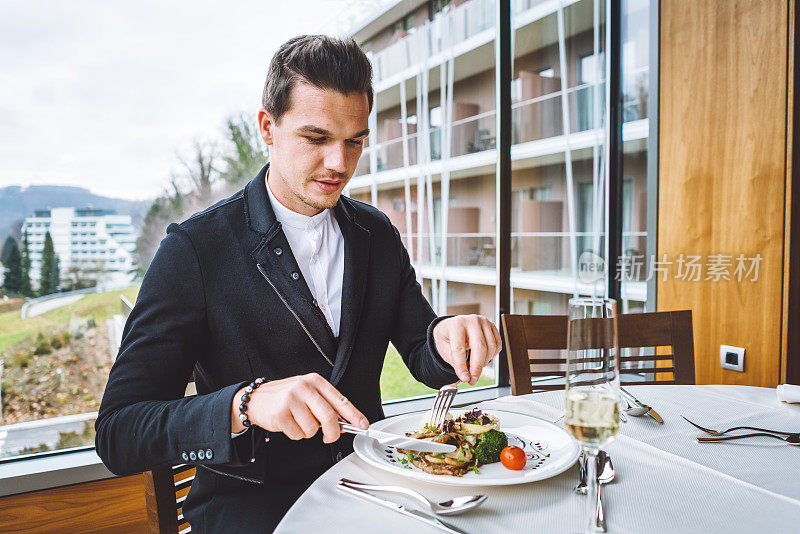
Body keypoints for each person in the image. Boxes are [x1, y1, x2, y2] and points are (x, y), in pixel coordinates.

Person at [95, 35, 501, 532]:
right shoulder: (194, 250)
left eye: (355, 140)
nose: (340, 163)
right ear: (268, 126)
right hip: (253, 516)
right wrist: (245, 404)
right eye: (317, 138)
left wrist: (448, 337)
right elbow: (118, 433)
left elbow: (423, 351)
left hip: (374, 501)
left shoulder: (376, 234)